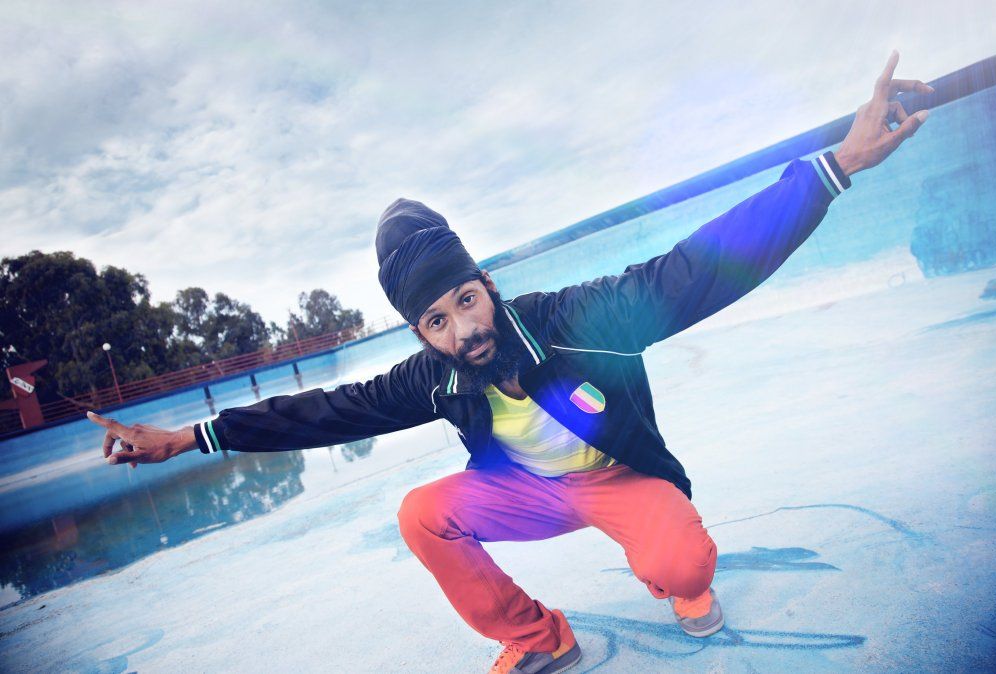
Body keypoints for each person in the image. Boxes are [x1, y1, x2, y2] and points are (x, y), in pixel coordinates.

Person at [88, 52, 932, 674]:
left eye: (465, 300)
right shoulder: (435, 376)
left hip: (620, 479)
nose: (462, 328)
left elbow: (698, 268)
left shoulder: (577, 322)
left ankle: (679, 573)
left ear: (486, 286)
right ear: (421, 335)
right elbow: (326, 410)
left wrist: (835, 167)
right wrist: (192, 437)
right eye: (436, 320)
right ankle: (538, 636)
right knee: (422, 512)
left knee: (682, 565)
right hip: (531, 490)